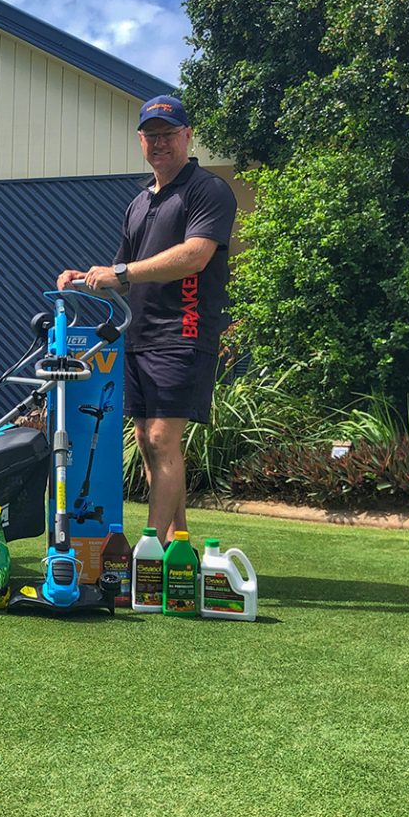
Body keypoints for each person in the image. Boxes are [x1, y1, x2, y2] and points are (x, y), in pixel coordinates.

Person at [57, 95, 237, 545]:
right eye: (151, 135)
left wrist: (120, 273)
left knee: (160, 438)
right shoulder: (138, 203)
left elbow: (195, 256)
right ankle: (178, 544)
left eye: (168, 134)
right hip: (139, 336)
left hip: (184, 330)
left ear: (188, 136)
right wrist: (86, 278)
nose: (159, 143)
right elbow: (122, 275)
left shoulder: (207, 190)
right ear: (141, 140)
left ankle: (148, 554)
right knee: (147, 440)